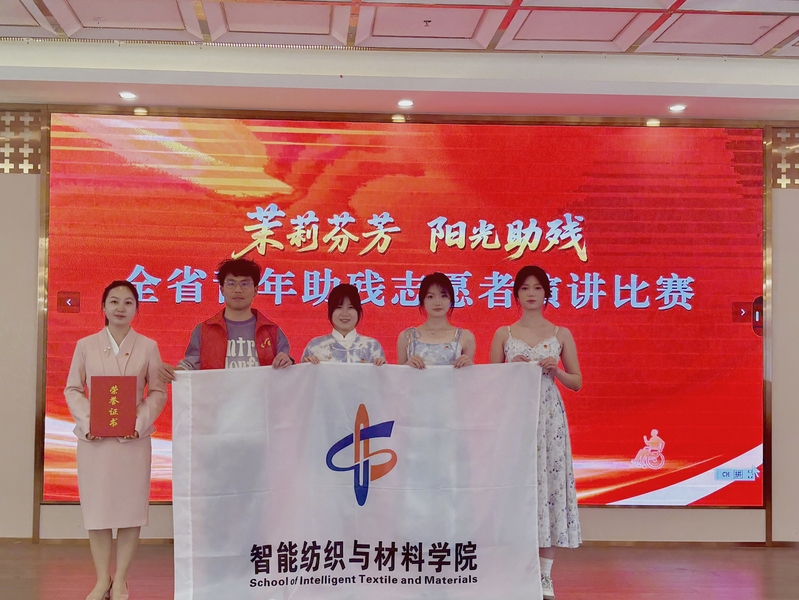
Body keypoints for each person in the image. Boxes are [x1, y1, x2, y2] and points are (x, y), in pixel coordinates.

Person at [64, 280, 167, 600]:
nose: (120, 308)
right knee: (97, 512)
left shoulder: (148, 346)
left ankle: (120, 579)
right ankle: (101, 579)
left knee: (129, 511)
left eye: (128, 302)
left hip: (132, 441)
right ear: (103, 307)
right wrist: (89, 422)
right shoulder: (85, 345)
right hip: (95, 441)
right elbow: (73, 389)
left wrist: (137, 423)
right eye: (114, 301)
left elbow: (158, 392)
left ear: (137, 309)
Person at [489, 265, 582, 600]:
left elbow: (577, 382)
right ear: (516, 294)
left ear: (546, 294)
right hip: (515, 419)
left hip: (549, 419)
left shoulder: (560, 334)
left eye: (538, 288)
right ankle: (514, 569)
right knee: (516, 488)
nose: (531, 293)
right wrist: (509, 370)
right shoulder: (503, 334)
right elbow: (489, 383)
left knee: (549, 489)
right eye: (525, 288)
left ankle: (544, 576)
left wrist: (556, 370)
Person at [159, 258, 293, 382]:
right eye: (231, 283)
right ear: (222, 289)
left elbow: (287, 372)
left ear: (256, 290)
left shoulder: (272, 331)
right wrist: (174, 373)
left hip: (260, 400)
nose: (238, 290)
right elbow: (191, 365)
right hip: (217, 400)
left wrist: (288, 362)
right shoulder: (204, 330)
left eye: (245, 284)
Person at [397, 272, 476, 368]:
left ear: (451, 299)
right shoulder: (407, 336)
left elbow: (469, 376)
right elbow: (399, 375)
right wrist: (406, 367)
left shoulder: (465, 337)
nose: (437, 302)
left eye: (443, 296)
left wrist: (470, 366)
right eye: (430, 297)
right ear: (422, 301)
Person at [301, 283, 386, 365]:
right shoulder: (316, 346)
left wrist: (382, 367)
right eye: (339, 307)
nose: (345, 313)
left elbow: (383, 374)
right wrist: (306, 366)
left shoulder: (371, 346)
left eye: (351, 307)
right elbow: (302, 374)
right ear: (330, 311)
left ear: (358, 311)